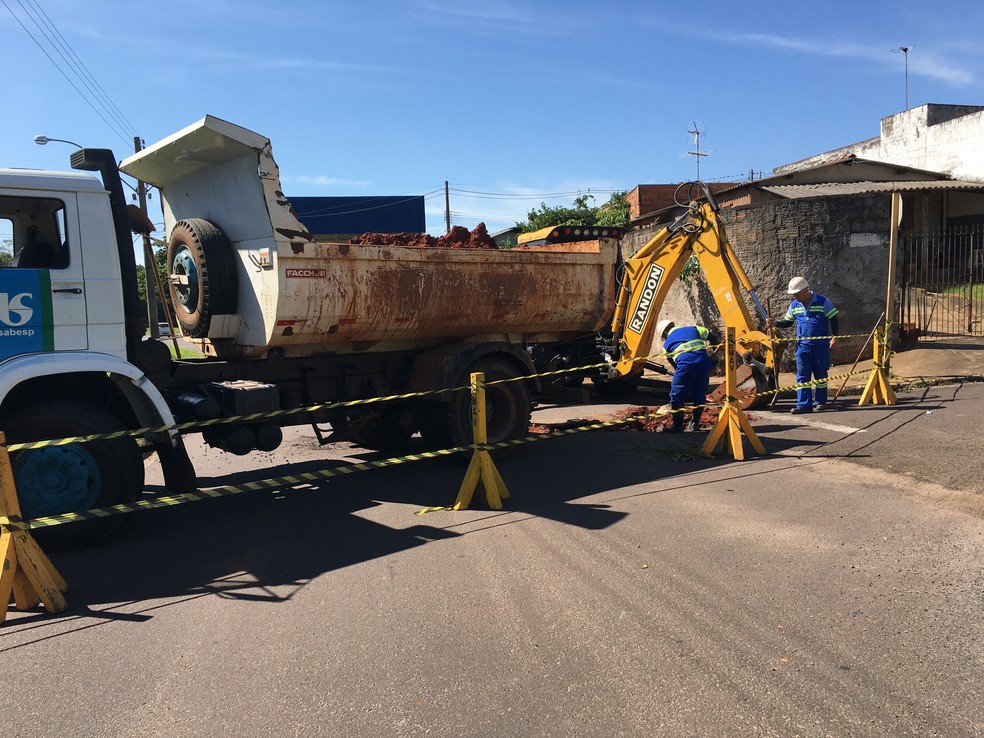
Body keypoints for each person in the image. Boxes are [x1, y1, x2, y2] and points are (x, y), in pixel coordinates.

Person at [767, 276, 839, 414]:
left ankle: (820, 401)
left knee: (821, 374)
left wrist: (835, 338)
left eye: (797, 294)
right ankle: (804, 404)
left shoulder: (823, 301)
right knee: (802, 375)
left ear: (806, 290)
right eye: (793, 294)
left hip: (820, 346)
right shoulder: (794, 305)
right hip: (802, 346)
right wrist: (775, 323)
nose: (795, 296)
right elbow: (788, 322)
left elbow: (834, 318)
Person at [656, 319, 716, 433]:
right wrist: (713, 353)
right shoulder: (694, 329)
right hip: (704, 364)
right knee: (699, 395)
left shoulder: (666, 345)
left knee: (677, 396)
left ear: (664, 334)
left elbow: (676, 366)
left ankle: (678, 426)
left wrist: (685, 382)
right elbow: (712, 337)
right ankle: (694, 424)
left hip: (685, 366)